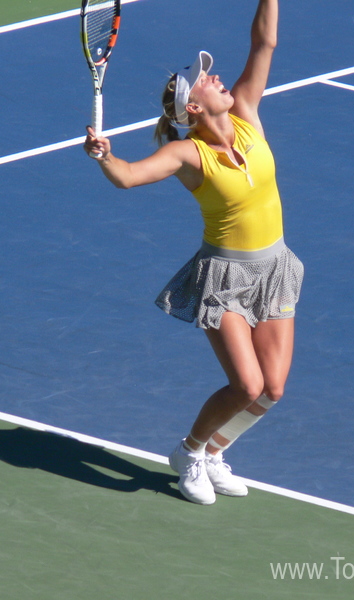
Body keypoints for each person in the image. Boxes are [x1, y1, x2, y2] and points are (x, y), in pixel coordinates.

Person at [83, 0, 303, 505]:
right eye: (206, 79)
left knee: (273, 390)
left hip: (274, 269)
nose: (218, 76)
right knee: (246, 386)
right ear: (194, 109)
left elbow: (264, 42)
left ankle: (213, 452)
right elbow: (129, 177)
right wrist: (105, 155)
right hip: (223, 279)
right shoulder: (187, 154)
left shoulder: (247, 114)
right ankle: (188, 452)